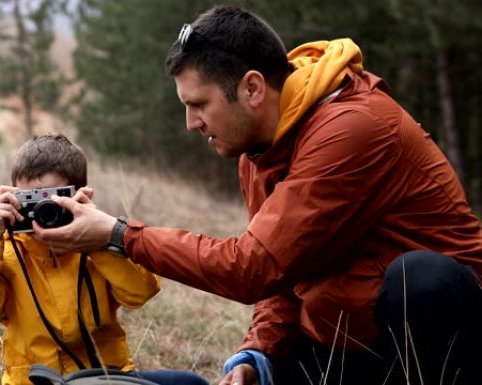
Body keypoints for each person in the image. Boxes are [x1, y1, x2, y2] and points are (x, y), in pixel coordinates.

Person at [32, 6, 482, 385]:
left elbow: (252, 267)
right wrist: (258, 352)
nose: (192, 123)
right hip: (348, 345)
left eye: (199, 105)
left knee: (420, 279)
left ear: (251, 88)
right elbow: (280, 276)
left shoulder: (353, 128)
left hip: (435, 342)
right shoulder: (259, 151)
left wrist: (118, 234)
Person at [0, 133, 209, 385]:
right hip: (36, 380)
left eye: (50, 201)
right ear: (13, 198)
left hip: (104, 376)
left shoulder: (98, 246)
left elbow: (141, 292)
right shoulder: (8, 252)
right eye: (30, 200)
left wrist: (98, 242)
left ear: (79, 196)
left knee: (190, 382)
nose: (42, 213)